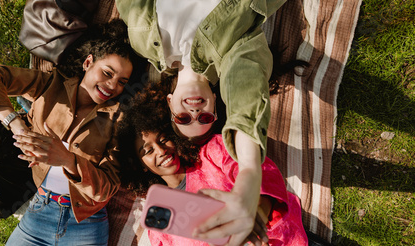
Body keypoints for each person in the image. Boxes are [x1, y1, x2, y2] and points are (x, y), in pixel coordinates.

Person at [112, 0, 302, 244]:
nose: (196, 110)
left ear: (169, 103)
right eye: (206, 116)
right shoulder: (236, 51)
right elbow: (247, 98)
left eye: (183, 118)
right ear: (216, 99)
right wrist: (248, 178)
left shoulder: (145, 43)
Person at [0, 20, 139, 245]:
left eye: (121, 81)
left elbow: (106, 188)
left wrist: (67, 159)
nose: (112, 85)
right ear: (88, 63)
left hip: (86, 225)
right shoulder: (50, 85)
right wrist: (16, 124)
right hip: (38, 214)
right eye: (107, 73)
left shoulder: (118, 120)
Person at [116, 83, 308, 246]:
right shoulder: (160, 216)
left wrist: (257, 214)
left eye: (164, 139)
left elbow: (262, 173)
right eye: (148, 151)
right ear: (140, 164)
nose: (161, 151)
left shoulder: (213, 152)